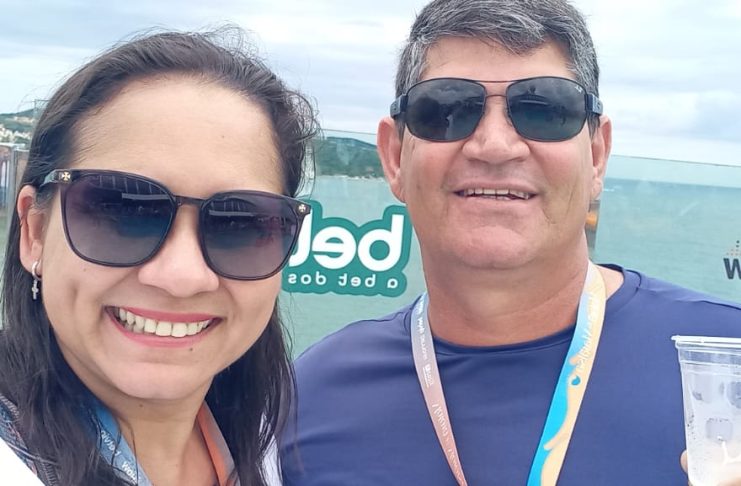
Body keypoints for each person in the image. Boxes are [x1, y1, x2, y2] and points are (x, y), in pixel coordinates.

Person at [279, 0, 741, 485]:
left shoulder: (726, 361)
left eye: (544, 110)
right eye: (447, 109)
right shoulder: (307, 401)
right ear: (395, 157)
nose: (495, 147)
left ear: (597, 156)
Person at [0, 29, 317, 485]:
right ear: (34, 233)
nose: (182, 275)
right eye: (121, 210)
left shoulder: (268, 441)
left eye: (239, 222)